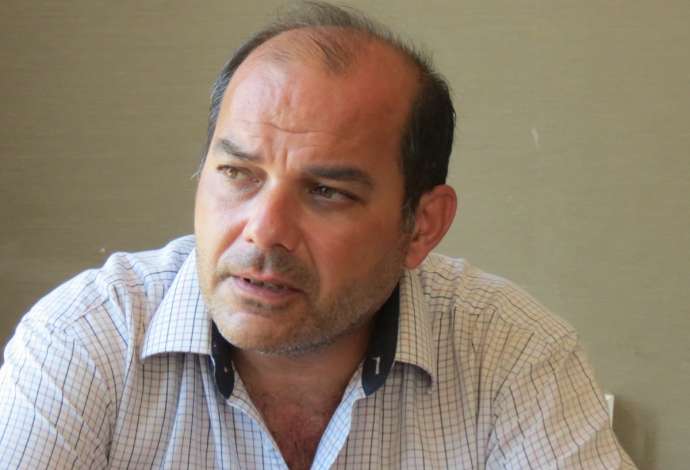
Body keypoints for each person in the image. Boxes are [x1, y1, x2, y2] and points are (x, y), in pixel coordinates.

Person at [0, 2, 636, 469]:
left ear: (421, 225)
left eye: (327, 191)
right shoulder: (86, 339)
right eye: (238, 174)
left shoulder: (513, 356)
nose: (264, 231)